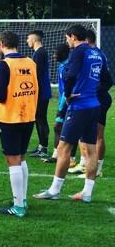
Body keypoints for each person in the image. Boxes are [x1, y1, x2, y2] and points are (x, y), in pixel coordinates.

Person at [34, 25, 108, 203]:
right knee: (90, 150)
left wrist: (67, 95)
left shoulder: (78, 52)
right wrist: (94, 92)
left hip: (79, 107)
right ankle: (87, 193)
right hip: (94, 105)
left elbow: (70, 75)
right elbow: (108, 80)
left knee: (62, 148)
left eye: (67, 38)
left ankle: (54, 190)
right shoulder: (97, 53)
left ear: (73, 37)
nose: (67, 41)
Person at [0, 30, 38, 217]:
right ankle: (22, 198)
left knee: (13, 160)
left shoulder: (4, 65)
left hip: (10, 117)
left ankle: (18, 206)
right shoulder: (30, 62)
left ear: (2, 43)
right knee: (22, 157)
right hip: (28, 115)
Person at [70, 30, 112, 178]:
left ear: (86, 40)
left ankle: (97, 169)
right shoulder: (90, 53)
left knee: (97, 135)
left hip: (98, 98)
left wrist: (94, 91)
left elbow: (108, 80)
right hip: (90, 98)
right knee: (85, 134)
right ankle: (83, 164)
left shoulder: (96, 54)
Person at [43, 44, 73, 165]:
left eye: (56, 53)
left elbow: (67, 89)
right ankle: (57, 155)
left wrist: (62, 107)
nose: (54, 56)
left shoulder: (68, 67)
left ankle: (70, 158)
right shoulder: (62, 66)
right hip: (63, 101)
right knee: (58, 127)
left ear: (63, 54)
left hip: (68, 102)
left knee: (65, 128)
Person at [27, 30, 52, 158]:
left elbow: (37, 74)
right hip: (41, 91)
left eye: (28, 39)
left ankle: (43, 148)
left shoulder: (40, 53)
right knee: (39, 118)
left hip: (41, 92)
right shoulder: (39, 53)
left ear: (34, 39)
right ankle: (42, 146)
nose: (27, 41)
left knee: (40, 119)